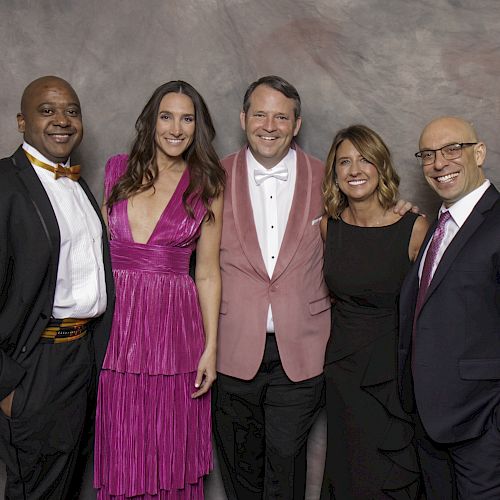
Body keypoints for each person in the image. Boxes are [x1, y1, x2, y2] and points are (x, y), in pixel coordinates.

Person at [212, 76, 415, 499]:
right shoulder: (213, 175)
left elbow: (367, 225)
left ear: (297, 123)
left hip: (302, 353)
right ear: (243, 118)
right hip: (232, 348)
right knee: (239, 466)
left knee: (286, 465)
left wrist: (400, 210)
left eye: (281, 116)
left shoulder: (330, 177)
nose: (270, 125)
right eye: (261, 114)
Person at [93, 80, 224, 500]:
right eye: (166, 116)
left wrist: (211, 349)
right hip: (116, 330)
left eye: (187, 118)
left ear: (197, 127)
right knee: (123, 447)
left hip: (175, 333)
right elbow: (92, 254)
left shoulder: (208, 184)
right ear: (151, 121)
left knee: (170, 447)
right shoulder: (115, 169)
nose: (176, 128)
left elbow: (207, 272)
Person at [0, 76, 114, 499]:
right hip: (34, 368)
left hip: (80, 359)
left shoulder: (78, 185)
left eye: (71, 111)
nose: (62, 120)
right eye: (47, 111)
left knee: (66, 489)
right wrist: (8, 387)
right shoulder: (6, 185)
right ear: (21, 121)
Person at [319, 125, 428, 499]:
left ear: (381, 166)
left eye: (364, 159)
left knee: (388, 471)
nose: (355, 169)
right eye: (344, 161)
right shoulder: (326, 229)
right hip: (342, 371)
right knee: (349, 470)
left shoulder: (414, 228)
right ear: (334, 173)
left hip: (393, 372)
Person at [398, 116, 500, 500]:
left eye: (452, 149)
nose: (439, 163)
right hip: (429, 423)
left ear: (479, 152)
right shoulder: (438, 225)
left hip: (482, 428)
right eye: (428, 154)